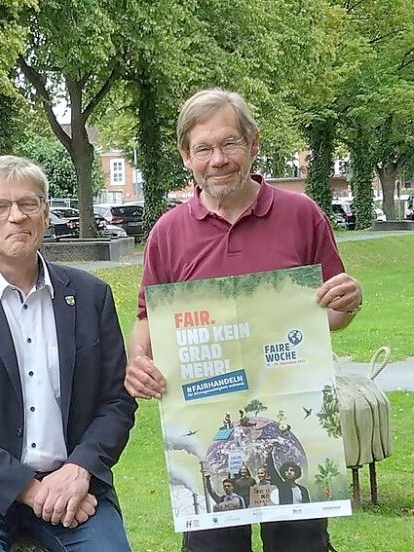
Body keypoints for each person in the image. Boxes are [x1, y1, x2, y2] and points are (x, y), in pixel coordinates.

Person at [123, 88, 362, 552]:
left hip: (293, 423)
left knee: (300, 545)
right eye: (204, 148)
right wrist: (138, 359)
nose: (218, 159)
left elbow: (329, 317)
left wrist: (347, 301)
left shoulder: (302, 215)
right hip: (209, 424)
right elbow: (147, 319)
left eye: (229, 143)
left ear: (253, 144)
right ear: (186, 157)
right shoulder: (168, 233)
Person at [0, 155, 137, 551]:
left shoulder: (90, 296)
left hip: (71, 483)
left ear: (45, 214)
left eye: (28, 204)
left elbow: (116, 401)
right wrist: (30, 491)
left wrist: (81, 468)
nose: (16, 216)